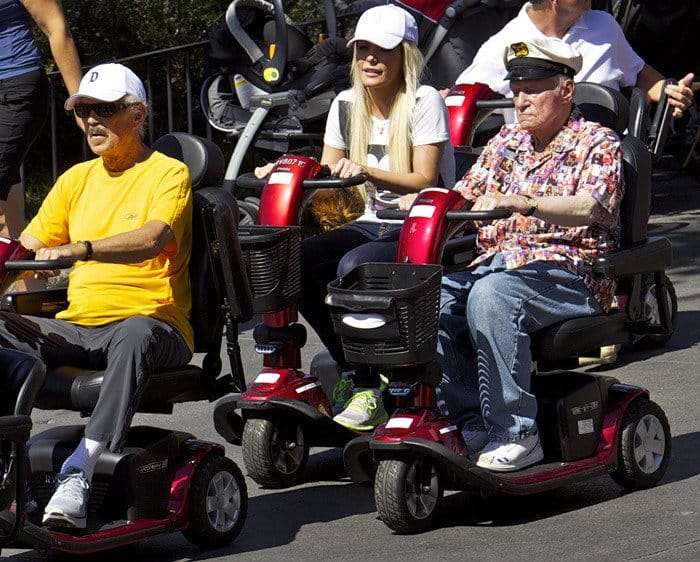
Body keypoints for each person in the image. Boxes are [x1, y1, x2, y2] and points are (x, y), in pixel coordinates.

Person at [0, 63, 193, 528]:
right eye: (84, 110)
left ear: (138, 114)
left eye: (105, 109)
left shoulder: (169, 173)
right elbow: (22, 250)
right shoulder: (75, 179)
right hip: (78, 325)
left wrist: (80, 249)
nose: (91, 120)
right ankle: (8, 470)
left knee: (134, 333)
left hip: (153, 321)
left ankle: (80, 472)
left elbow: (150, 239)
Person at [255, 4, 455, 431]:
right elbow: (328, 175)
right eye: (362, 49)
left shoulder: (424, 100)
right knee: (299, 262)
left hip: (421, 227)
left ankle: (369, 384)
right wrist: (287, 168)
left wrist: (367, 171)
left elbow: (424, 179)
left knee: (353, 266)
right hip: (371, 223)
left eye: (381, 51)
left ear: (406, 55)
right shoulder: (346, 103)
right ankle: (354, 373)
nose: (369, 59)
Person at [430, 37, 624, 471]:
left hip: (572, 271)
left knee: (494, 297)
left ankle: (517, 433)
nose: (520, 100)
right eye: (516, 90)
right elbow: (465, 196)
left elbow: (593, 207)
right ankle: (471, 426)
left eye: (534, 89)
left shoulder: (598, 142)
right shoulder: (508, 141)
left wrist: (526, 202)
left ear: (566, 89)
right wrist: (427, 207)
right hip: (500, 264)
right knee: (435, 294)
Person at [450, 0, 694, 118]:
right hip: (537, 169)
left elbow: (639, 73)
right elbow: (459, 99)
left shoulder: (605, 27)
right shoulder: (505, 45)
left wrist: (670, 91)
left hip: (604, 160)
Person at [0, 0, 83, 240]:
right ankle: (30, 272)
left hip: (15, 89)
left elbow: (56, 27)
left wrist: (79, 100)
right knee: (8, 223)